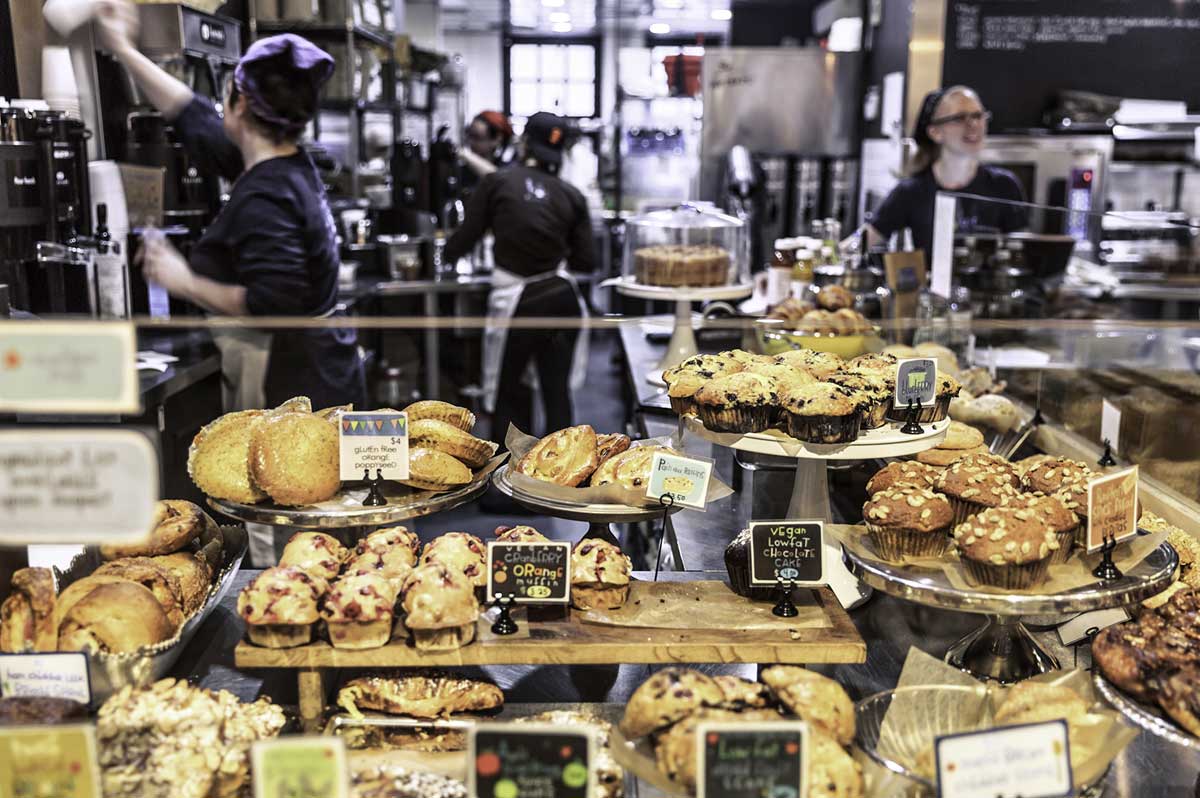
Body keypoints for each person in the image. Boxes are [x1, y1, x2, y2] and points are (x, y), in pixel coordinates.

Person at [95, 0, 366, 411]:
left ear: (240, 105)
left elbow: (273, 304)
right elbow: (193, 115)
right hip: (320, 369)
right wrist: (124, 50)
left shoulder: (266, 196)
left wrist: (181, 279)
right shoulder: (283, 159)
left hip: (295, 389)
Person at [442, 112, 594, 444]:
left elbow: (465, 238)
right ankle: (561, 480)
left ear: (524, 143)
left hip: (519, 303)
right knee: (557, 393)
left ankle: (507, 484)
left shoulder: (497, 182)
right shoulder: (572, 195)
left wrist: (443, 257)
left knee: (511, 393)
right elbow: (587, 260)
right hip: (561, 298)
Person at [865, 85, 1028, 257]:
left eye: (978, 116)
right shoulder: (911, 191)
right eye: (959, 118)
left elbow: (1021, 250)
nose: (973, 124)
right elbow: (864, 240)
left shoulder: (1004, 185)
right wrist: (835, 249)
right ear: (935, 132)